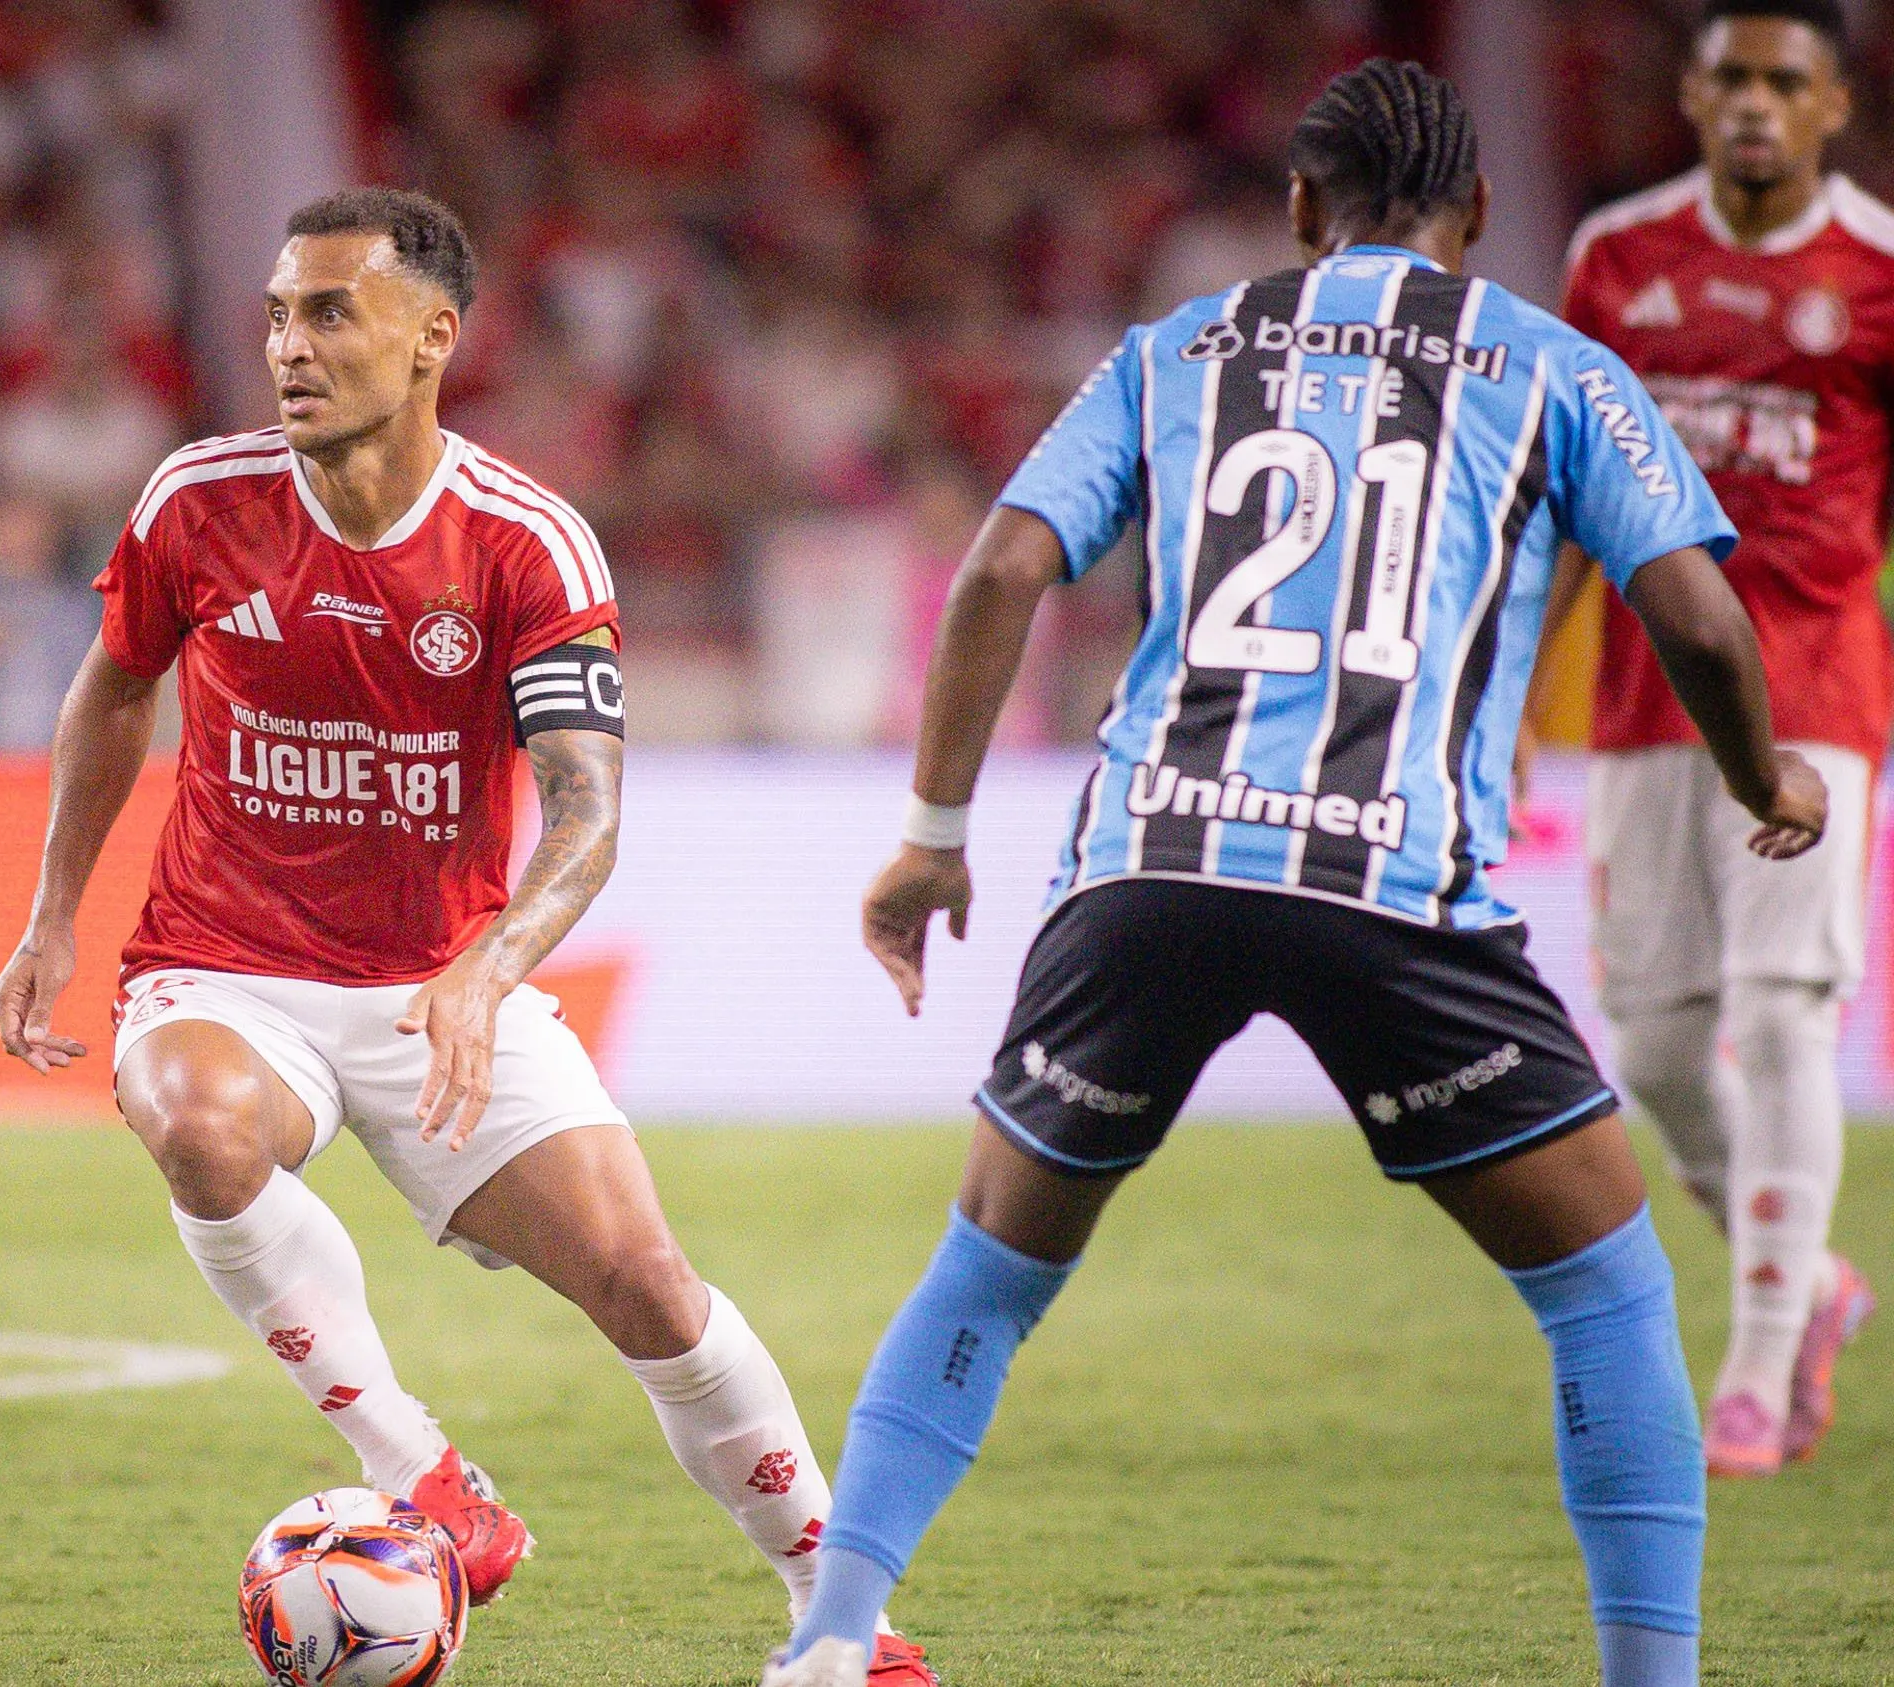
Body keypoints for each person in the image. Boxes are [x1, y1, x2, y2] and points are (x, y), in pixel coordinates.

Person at [764, 61, 1827, 1687]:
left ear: (1301, 208)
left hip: (1152, 862)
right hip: (1392, 884)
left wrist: (931, 835)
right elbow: (1692, 612)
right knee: (1607, 1289)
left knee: (989, 1263)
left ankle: (835, 1634)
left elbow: (998, 570)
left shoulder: (1177, 349)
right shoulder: (1554, 365)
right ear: (1476, 214)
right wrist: (1765, 777)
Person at [0, 188, 933, 1684]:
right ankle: (422, 1475)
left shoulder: (523, 544)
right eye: (277, 315)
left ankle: (845, 1621)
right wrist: (54, 915)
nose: (288, 347)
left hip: (440, 981)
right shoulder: (196, 502)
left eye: (329, 314)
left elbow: (587, 814)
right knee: (199, 1126)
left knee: (650, 1287)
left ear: (432, 338)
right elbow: (113, 690)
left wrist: (485, 974)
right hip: (224, 965)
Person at [1543, 0, 1879, 1479]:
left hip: (1817, 689)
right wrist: (1513, 699)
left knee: (1786, 1012)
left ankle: (1753, 1364)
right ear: (1689, 94)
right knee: (1660, 1042)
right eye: (1730, 78)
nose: (1754, 103)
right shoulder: (1618, 259)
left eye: (1783, 83)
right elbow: (1568, 496)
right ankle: (1812, 1281)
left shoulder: (1880, 272)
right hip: (1643, 695)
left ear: (1831, 107)